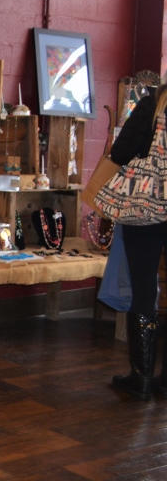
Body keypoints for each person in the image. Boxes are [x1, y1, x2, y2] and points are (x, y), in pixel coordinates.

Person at [107, 84, 167, 399]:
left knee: (144, 289)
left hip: (146, 209)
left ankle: (142, 378)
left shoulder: (152, 105)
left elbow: (119, 152)